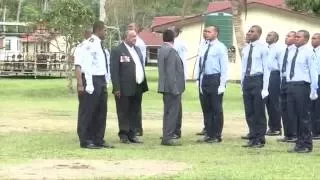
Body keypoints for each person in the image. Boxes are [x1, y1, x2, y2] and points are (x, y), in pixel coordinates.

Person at [76, 21, 114, 149]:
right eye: (105, 30)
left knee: (101, 111)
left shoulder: (100, 45)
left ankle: (99, 138)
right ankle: (86, 139)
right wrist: (84, 84)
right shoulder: (90, 44)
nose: (106, 33)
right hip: (91, 79)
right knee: (88, 110)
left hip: (101, 79)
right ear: (98, 30)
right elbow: (84, 65)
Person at [110, 30, 148, 144]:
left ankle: (132, 133)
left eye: (135, 36)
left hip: (137, 86)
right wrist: (116, 87)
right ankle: (124, 134)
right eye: (132, 36)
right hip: (123, 87)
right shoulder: (118, 50)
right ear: (124, 37)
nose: (134, 38)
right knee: (123, 111)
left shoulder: (136, 49)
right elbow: (114, 70)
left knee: (135, 111)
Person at [285, 30, 318, 153]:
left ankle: (306, 144)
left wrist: (313, 90)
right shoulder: (292, 51)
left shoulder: (309, 53)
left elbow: (313, 72)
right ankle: (299, 143)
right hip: (291, 85)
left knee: (303, 116)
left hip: (302, 86)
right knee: (294, 116)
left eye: (298, 37)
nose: (296, 39)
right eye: (295, 37)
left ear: (305, 39)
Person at [195, 26, 228, 143]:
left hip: (215, 78)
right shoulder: (203, 46)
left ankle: (217, 135)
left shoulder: (220, 47)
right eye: (205, 31)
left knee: (216, 108)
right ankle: (208, 133)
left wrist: (222, 84)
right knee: (206, 108)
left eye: (209, 31)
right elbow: (199, 63)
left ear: (216, 33)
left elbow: (224, 67)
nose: (206, 33)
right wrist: (198, 79)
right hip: (204, 78)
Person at [241, 25, 270, 148]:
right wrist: (242, 83)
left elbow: (267, 69)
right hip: (247, 79)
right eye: (248, 31)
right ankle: (252, 136)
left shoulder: (263, 48)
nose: (249, 33)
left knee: (258, 111)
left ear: (259, 33)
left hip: (258, 79)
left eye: (252, 31)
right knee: (249, 111)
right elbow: (243, 68)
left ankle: (260, 138)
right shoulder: (246, 49)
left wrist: (265, 88)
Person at [157, 29, 185, 146]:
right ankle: (168, 137)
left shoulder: (162, 49)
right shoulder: (171, 51)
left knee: (168, 112)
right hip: (171, 87)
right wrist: (175, 89)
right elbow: (171, 72)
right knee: (172, 112)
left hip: (165, 87)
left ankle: (167, 135)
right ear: (173, 38)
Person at [277, 31, 298, 143]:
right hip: (283, 80)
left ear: (295, 38)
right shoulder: (283, 50)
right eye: (286, 35)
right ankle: (288, 134)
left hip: (292, 81)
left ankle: (294, 134)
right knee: (283, 108)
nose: (286, 38)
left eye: (289, 36)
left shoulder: (296, 51)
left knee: (292, 109)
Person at [128, 22, 147, 136]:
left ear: (137, 29)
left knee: (136, 105)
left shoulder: (139, 44)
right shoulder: (128, 43)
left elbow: (141, 62)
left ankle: (137, 128)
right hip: (131, 78)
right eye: (129, 27)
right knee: (132, 105)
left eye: (132, 27)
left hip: (138, 77)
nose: (130, 29)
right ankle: (134, 128)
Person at [265, 31, 282, 136]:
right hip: (266, 75)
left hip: (274, 75)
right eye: (267, 35)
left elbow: (280, 64)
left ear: (276, 38)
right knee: (268, 102)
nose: (267, 37)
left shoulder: (278, 49)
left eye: (269, 35)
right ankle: (271, 126)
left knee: (274, 102)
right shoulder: (267, 49)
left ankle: (276, 128)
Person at [310, 33, 320, 140]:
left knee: (318, 106)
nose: (312, 40)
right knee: (311, 106)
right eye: (311, 38)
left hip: (319, 78)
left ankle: (318, 131)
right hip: (312, 79)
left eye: (315, 38)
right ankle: (313, 129)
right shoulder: (310, 52)